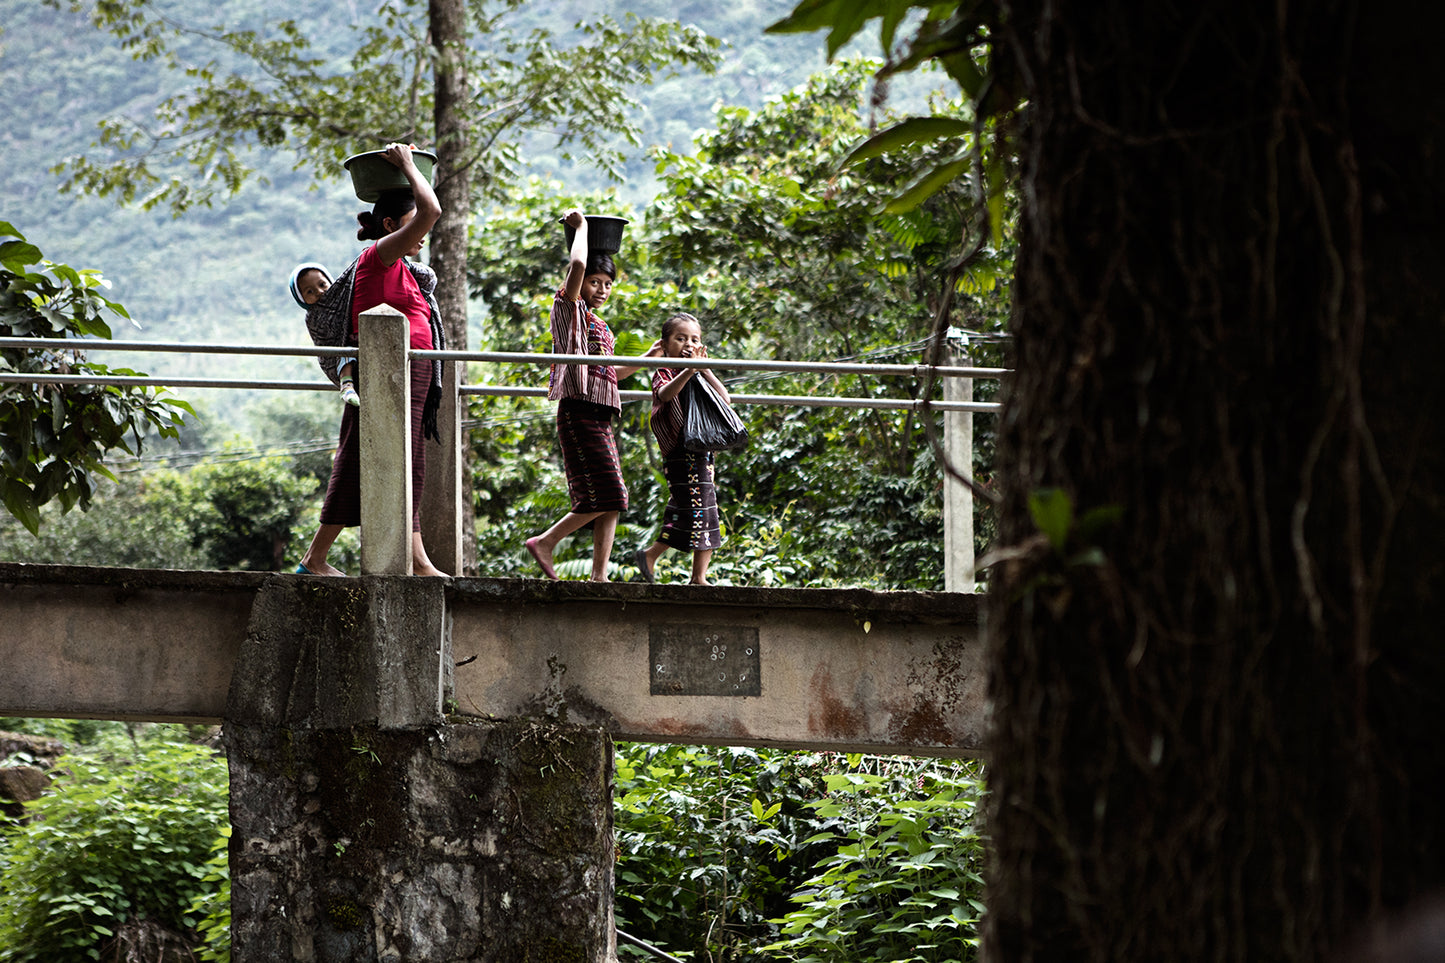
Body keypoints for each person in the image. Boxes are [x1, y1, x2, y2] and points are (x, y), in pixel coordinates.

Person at [297, 143, 445, 577]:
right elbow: (431, 209)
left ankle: (416, 559)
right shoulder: (377, 257)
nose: (422, 234)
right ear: (388, 226)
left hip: (409, 373)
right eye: (410, 225)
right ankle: (315, 558)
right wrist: (403, 165)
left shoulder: (406, 270)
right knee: (355, 460)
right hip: (381, 374)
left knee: (410, 460)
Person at [525, 209, 660, 581]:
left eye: (607, 284)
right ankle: (547, 542)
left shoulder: (601, 325)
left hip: (601, 413)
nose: (600, 290)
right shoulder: (569, 309)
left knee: (614, 498)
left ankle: (599, 576)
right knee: (606, 494)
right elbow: (578, 262)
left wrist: (646, 360)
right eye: (594, 282)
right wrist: (581, 227)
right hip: (579, 411)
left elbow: (609, 376)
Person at [633, 313, 729, 585]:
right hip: (679, 450)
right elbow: (665, 394)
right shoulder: (664, 371)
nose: (688, 344)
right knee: (697, 507)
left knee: (699, 507)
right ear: (664, 345)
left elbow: (725, 398)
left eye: (694, 339)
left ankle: (693, 574)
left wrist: (704, 369)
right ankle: (662, 560)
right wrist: (688, 371)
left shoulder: (699, 372)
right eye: (680, 338)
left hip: (703, 449)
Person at [288, 263, 359, 406]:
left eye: (322, 284)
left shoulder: (344, 298)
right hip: (335, 358)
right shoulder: (312, 317)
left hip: (357, 347)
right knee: (344, 350)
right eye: (309, 292)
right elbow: (327, 339)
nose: (319, 291)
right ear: (301, 299)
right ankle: (346, 385)